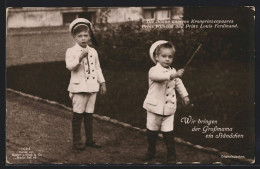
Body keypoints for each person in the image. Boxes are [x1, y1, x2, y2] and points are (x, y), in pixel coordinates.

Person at [143, 40, 190, 163]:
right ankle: (151, 150)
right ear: (156, 57)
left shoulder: (172, 71)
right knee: (152, 131)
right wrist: (174, 75)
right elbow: (158, 77)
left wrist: (184, 96)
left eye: (170, 57)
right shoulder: (153, 70)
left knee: (168, 132)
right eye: (164, 56)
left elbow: (178, 83)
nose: (167, 59)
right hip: (154, 108)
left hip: (169, 108)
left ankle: (171, 155)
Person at [65, 18, 107, 151]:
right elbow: (70, 67)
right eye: (80, 36)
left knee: (89, 114)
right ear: (74, 37)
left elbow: (98, 67)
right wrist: (80, 57)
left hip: (92, 87)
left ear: (89, 35)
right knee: (78, 115)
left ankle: (89, 140)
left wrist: (102, 82)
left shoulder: (93, 51)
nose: (83, 39)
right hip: (79, 88)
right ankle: (77, 141)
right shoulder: (71, 51)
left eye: (86, 35)